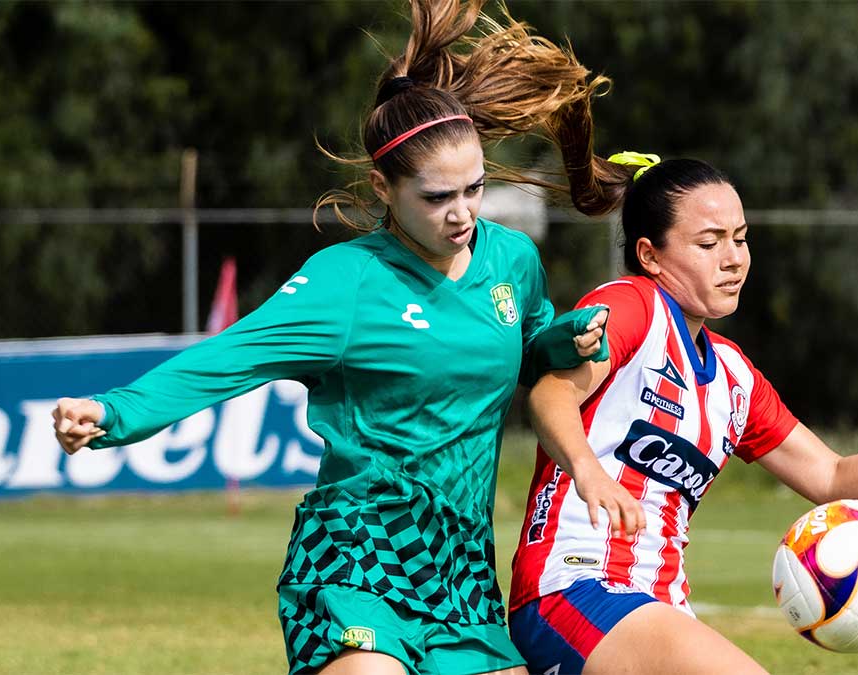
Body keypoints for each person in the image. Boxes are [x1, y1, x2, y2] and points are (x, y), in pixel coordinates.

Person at [51, 1, 621, 673]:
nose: (463, 211)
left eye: (474, 188)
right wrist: (116, 412)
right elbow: (228, 356)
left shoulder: (512, 261)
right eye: (438, 198)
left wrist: (567, 339)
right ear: (384, 186)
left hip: (462, 565)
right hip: (358, 548)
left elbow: (525, 352)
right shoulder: (346, 282)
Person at [506, 152, 858, 675]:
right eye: (709, 242)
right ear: (650, 256)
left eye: (739, 238)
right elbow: (551, 393)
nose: (734, 258)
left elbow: (831, 479)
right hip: (575, 586)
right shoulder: (631, 305)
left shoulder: (733, 378)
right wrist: (587, 471)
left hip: (660, 604)